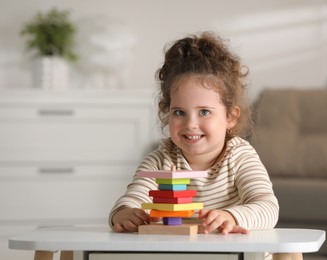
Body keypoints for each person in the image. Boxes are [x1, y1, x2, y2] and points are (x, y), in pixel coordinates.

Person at [109, 31, 279, 235]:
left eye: (204, 112)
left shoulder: (240, 157)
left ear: (230, 117)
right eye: (179, 112)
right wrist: (124, 213)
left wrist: (231, 217)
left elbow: (268, 207)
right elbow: (132, 198)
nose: (191, 124)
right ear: (167, 113)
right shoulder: (160, 161)